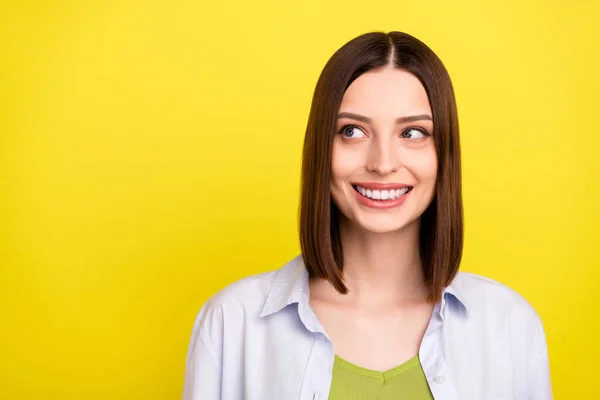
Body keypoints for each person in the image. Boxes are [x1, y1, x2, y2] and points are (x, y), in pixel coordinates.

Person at [182, 31, 552, 400]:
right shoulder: (231, 323)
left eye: (412, 132)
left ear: (444, 154)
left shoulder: (510, 326)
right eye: (352, 131)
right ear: (320, 148)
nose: (383, 164)